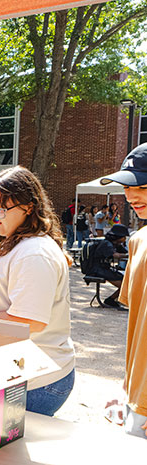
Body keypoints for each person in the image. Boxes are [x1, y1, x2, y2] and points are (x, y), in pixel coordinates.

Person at [0, 166, 75, 417]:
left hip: (36, 378)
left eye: (0, 209)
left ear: (29, 207)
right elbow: (10, 289)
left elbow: (31, 321)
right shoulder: (13, 241)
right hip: (15, 369)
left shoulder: (34, 252)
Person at [100, 142, 147, 439]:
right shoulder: (138, 240)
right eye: (127, 188)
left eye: (142, 186)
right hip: (137, 397)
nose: (131, 196)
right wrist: (127, 385)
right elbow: (137, 329)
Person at [81, 224, 129, 309]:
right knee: (124, 284)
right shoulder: (106, 244)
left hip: (103, 268)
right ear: (118, 236)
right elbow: (115, 255)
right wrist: (128, 255)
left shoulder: (113, 243)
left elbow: (124, 251)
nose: (125, 239)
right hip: (98, 269)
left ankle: (113, 299)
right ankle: (110, 300)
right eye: (124, 237)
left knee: (125, 282)